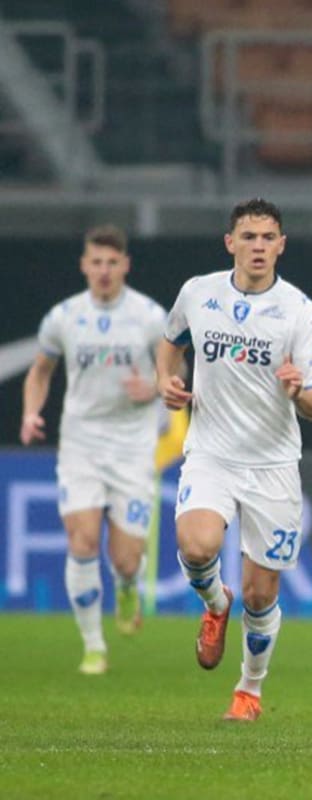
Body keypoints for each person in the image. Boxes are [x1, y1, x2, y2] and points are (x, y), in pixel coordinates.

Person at [156, 198, 312, 721]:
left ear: (281, 245)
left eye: (267, 237)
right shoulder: (198, 293)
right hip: (211, 453)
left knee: (262, 592)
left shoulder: (299, 310)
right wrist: (168, 379)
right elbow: (170, 344)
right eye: (248, 236)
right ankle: (214, 603)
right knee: (196, 542)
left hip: (273, 464)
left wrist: (299, 390)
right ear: (230, 242)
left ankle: (248, 691)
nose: (258, 246)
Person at [19, 224, 166, 675]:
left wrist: (155, 385)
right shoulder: (63, 316)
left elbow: (173, 371)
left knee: (125, 557)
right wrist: (30, 413)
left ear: (126, 265)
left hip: (132, 447)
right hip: (80, 442)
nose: (104, 271)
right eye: (96, 262)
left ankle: (127, 584)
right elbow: (41, 372)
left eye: (112, 262)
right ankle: (93, 646)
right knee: (81, 540)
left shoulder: (149, 316)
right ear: (84, 265)